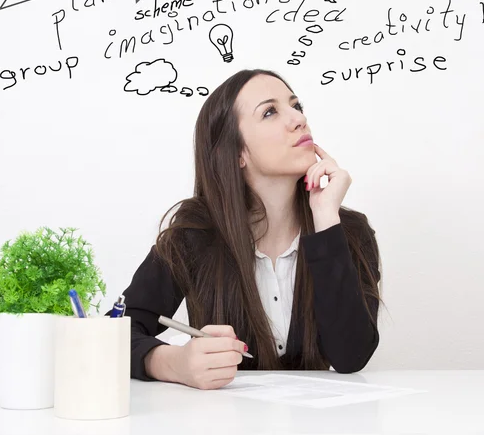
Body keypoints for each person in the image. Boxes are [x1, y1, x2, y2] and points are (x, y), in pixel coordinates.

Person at [114, 68, 383, 390]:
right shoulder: (193, 234)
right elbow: (112, 333)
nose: (298, 119)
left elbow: (351, 357)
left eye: (296, 106)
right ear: (237, 152)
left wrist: (326, 219)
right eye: (270, 112)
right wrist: (174, 363)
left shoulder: (347, 232)